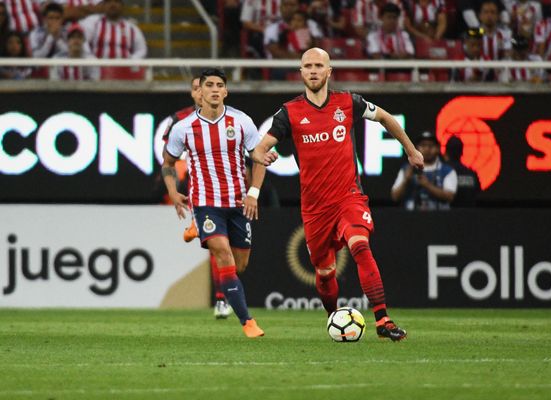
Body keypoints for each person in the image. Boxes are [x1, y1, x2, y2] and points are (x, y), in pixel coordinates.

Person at [252, 47, 424, 342]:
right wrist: (260, 155)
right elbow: (259, 146)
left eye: (319, 65)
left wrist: (411, 149)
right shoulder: (289, 112)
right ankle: (333, 317)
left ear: (329, 71)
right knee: (325, 272)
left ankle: (383, 319)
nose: (314, 70)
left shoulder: (349, 102)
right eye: (308, 66)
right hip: (315, 208)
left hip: (349, 197)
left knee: (360, 246)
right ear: (301, 72)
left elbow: (385, 117)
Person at [162, 68, 266, 338]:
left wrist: (253, 192)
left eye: (220, 84)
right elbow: (168, 164)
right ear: (201, 91)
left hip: (237, 202)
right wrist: (173, 192)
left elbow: (259, 157)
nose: (215, 89)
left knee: (238, 265)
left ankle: (197, 228)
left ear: (226, 91)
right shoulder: (183, 128)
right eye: (209, 85)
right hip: (206, 202)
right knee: (223, 255)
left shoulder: (241, 121)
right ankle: (248, 322)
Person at [159, 76, 234, 320]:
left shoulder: (231, 119)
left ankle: (197, 227)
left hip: (225, 187)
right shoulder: (180, 121)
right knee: (217, 245)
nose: (202, 92)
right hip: (198, 186)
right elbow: (168, 156)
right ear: (194, 93)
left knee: (224, 248)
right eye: (196, 89)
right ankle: (222, 299)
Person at [391, 131, 457, 210]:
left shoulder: (447, 171)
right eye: (423, 145)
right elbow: (395, 197)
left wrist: (427, 185)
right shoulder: (406, 169)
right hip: (411, 218)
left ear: (438, 148)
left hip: (439, 218)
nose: (427, 149)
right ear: (416, 148)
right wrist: (406, 180)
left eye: (431, 146)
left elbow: (450, 197)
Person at [443, 136, 480, 207]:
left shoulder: (442, 172)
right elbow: (477, 194)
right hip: (468, 215)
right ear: (462, 152)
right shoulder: (471, 174)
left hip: (447, 216)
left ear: (446, 152)